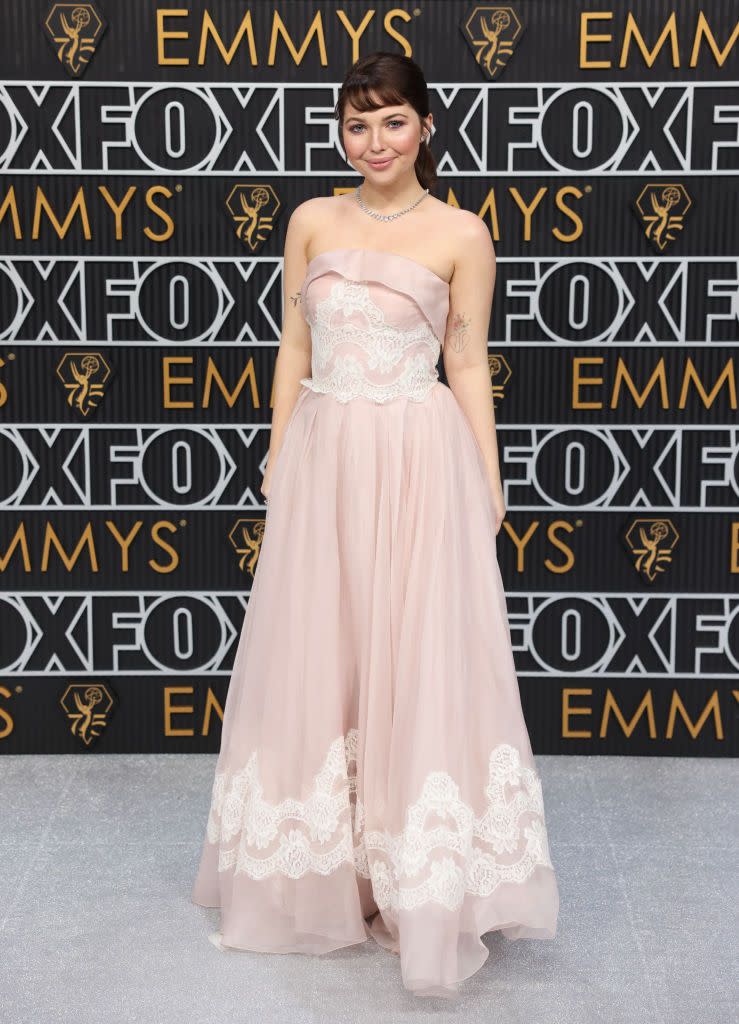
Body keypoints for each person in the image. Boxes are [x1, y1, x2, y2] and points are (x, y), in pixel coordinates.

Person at [191, 51, 559, 999]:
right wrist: (279, 454)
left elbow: (467, 361)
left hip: (415, 460)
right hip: (326, 455)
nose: (374, 141)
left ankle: (412, 875)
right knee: (323, 653)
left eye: (392, 121)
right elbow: (294, 340)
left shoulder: (460, 234)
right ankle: (327, 875)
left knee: (415, 659)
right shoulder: (312, 220)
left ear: (424, 126)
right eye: (356, 124)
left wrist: (489, 478)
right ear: (340, 133)